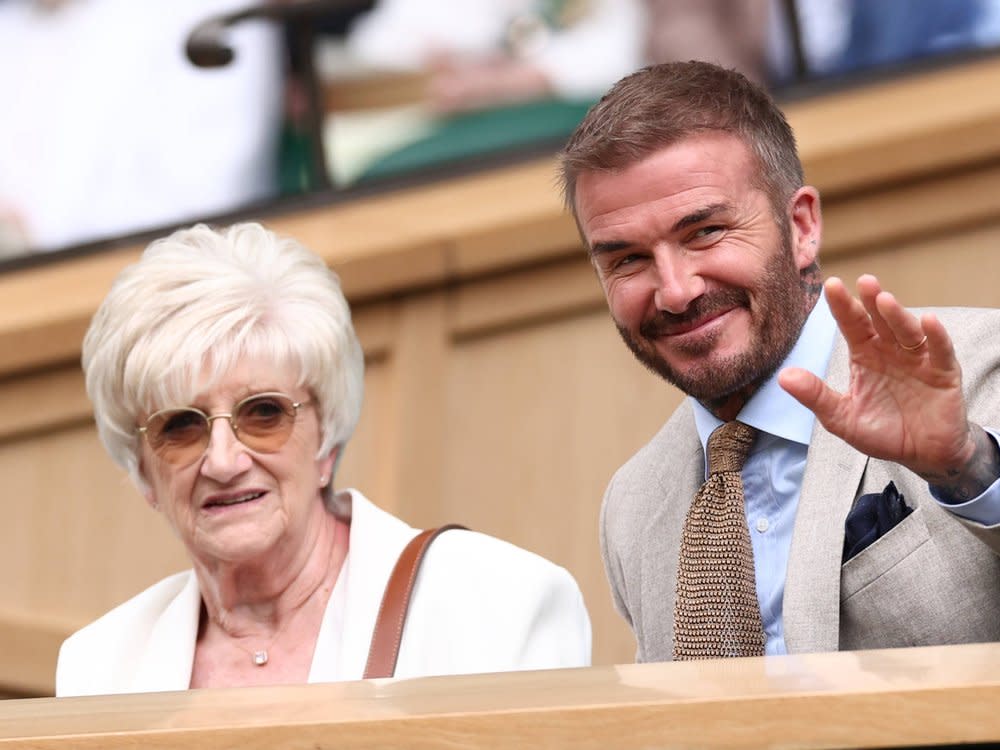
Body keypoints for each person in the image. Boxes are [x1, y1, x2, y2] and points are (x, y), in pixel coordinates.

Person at [559, 61, 1000, 662]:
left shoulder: (982, 363)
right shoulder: (633, 504)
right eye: (628, 260)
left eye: (706, 232)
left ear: (801, 227)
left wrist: (968, 467)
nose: (676, 290)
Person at [56, 222, 590, 695]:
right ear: (143, 471)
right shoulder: (100, 667)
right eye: (181, 427)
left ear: (326, 441)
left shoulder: (499, 604)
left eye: (263, 413)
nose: (223, 461)